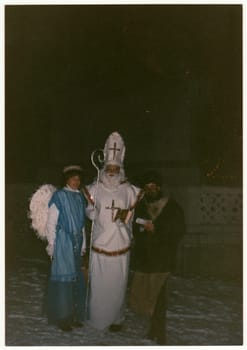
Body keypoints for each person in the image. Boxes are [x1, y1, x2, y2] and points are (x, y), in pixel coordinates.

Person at [86, 131, 140, 331]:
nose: (111, 171)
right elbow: (89, 210)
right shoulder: (95, 188)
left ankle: (116, 319)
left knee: (117, 284)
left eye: (115, 168)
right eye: (108, 167)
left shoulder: (129, 190)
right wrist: (91, 210)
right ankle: (98, 318)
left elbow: (132, 215)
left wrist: (124, 217)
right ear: (103, 167)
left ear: (120, 169)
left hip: (120, 244)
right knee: (100, 285)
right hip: (100, 242)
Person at [129, 171, 185, 344]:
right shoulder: (141, 206)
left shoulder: (171, 207)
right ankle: (153, 330)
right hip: (146, 259)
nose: (150, 190)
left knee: (159, 297)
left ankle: (160, 333)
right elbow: (135, 227)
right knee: (148, 296)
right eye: (147, 188)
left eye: (153, 187)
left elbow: (178, 230)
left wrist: (157, 231)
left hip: (162, 259)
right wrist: (141, 229)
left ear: (159, 187)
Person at [45, 165, 87, 332]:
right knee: (64, 280)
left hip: (77, 241)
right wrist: (52, 244)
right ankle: (63, 317)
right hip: (63, 241)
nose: (76, 182)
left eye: (78, 179)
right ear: (66, 180)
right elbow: (51, 223)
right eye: (73, 178)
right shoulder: (59, 196)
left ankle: (74, 315)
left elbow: (82, 224)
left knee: (76, 280)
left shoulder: (80, 197)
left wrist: (83, 244)